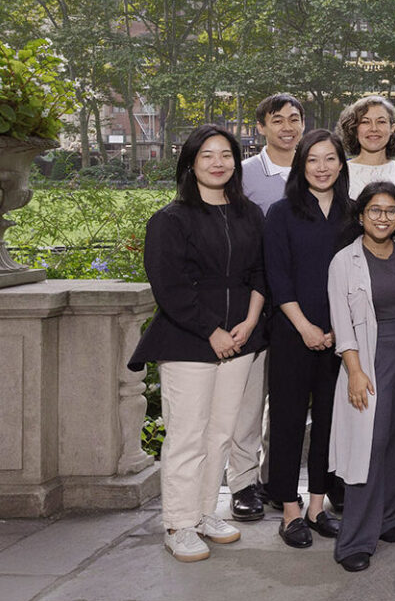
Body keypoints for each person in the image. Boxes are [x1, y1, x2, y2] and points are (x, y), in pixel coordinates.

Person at [129, 125, 267, 563]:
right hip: (189, 341)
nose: (218, 162)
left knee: (221, 433)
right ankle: (179, 523)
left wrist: (248, 322)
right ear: (190, 163)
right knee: (187, 436)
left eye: (225, 154)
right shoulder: (170, 220)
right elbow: (169, 287)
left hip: (242, 339)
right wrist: (212, 330)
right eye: (207, 155)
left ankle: (206, 513)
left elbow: (262, 274)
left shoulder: (250, 214)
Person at [326, 182, 395, 572]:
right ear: (360, 216)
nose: (382, 217)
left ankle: (389, 519)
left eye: (390, 211)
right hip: (371, 360)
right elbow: (343, 322)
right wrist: (354, 371)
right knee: (367, 450)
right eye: (374, 210)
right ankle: (354, 540)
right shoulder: (344, 261)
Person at [262, 129, 355, 549]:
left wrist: (340, 329)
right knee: (287, 421)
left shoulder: (353, 214)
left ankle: (318, 505)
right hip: (292, 333)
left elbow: (358, 278)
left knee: (331, 425)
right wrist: (304, 327)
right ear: (301, 165)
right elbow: (277, 278)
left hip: (341, 337)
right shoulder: (281, 213)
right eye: (313, 159)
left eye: (330, 159)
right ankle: (289, 509)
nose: (322, 167)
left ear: (341, 164)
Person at [226, 92, 304, 523]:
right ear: (262, 127)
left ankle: (281, 481)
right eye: (277, 120)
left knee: (292, 402)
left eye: (294, 119)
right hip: (255, 302)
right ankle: (242, 483)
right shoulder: (244, 176)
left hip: (305, 305)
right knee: (248, 401)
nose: (287, 127)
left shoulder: (318, 168)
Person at [340, 95, 395, 196]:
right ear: (354, 129)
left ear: (392, 128)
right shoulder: (340, 173)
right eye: (365, 122)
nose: (374, 128)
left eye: (381, 121)